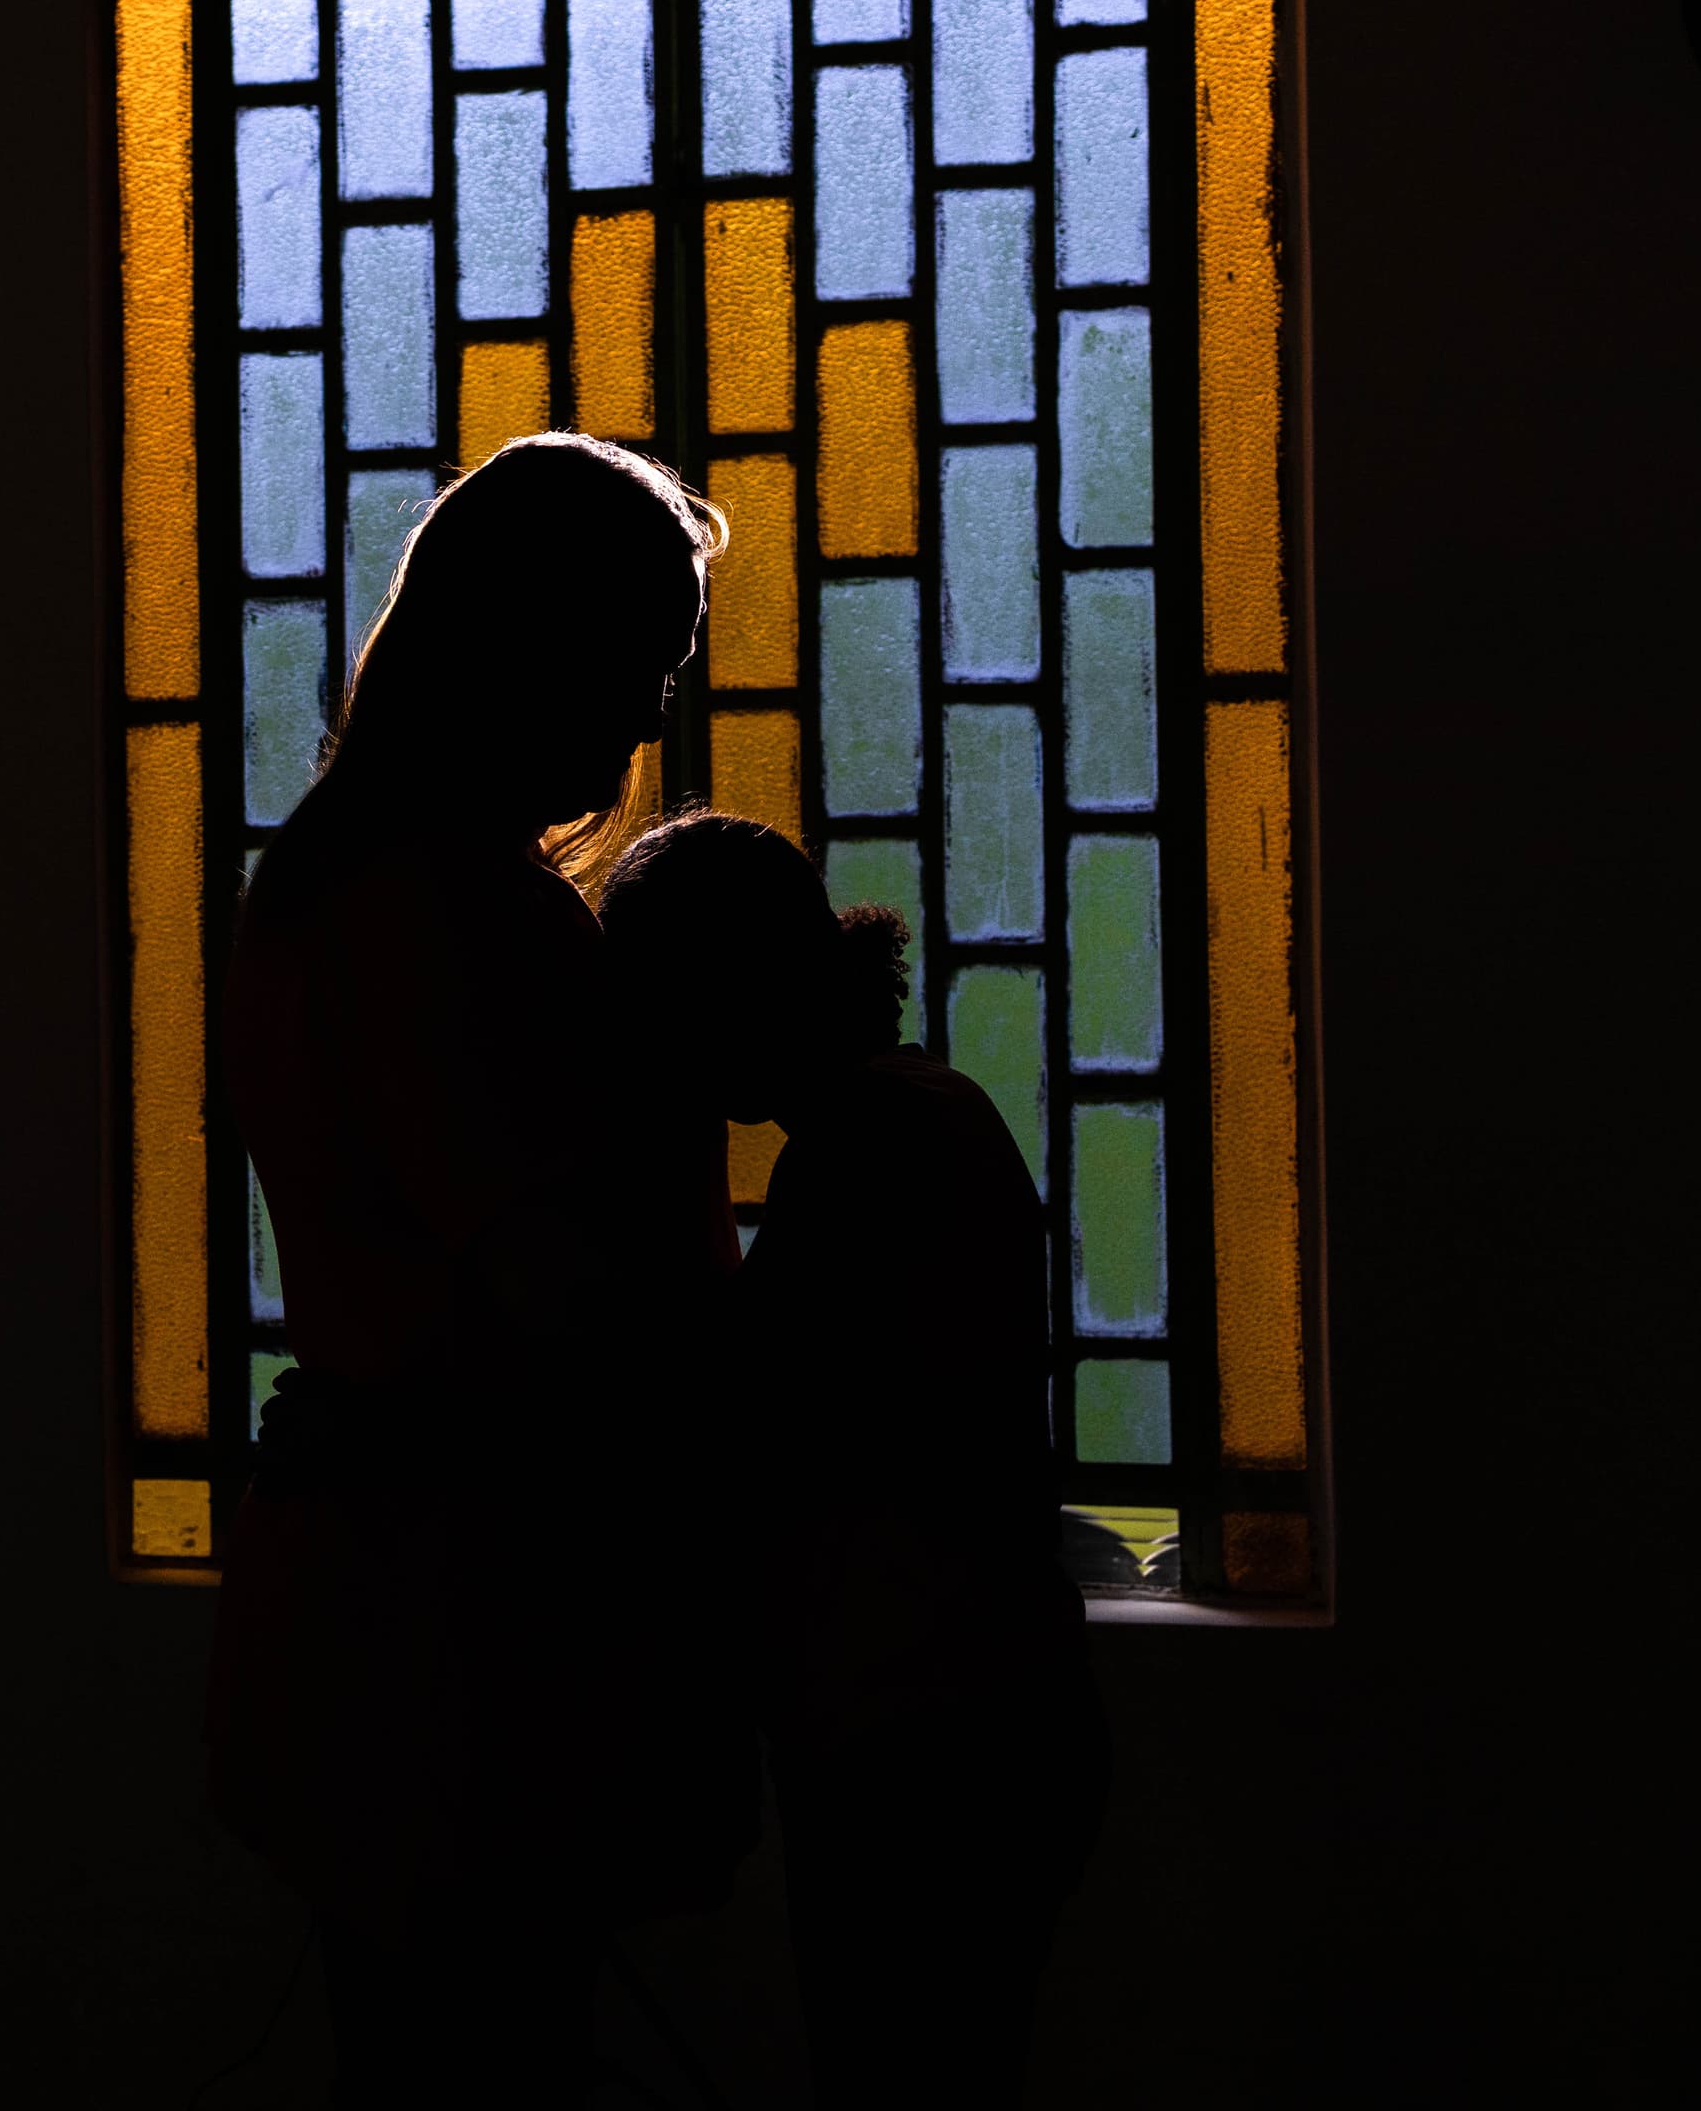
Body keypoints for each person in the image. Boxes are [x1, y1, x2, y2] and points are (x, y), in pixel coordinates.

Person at [205, 435, 759, 2104]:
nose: (653, 717)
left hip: (366, 1621)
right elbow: (566, 1294)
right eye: (640, 659)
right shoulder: (461, 915)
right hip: (481, 1643)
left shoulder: (311, 887)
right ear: (530, 645)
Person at [597, 811, 1110, 2106]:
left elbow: (732, 1424)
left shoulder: (872, 1150)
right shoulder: (917, 1117)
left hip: (923, 1757)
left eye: (664, 1011)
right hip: (970, 1731)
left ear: (726, 993)